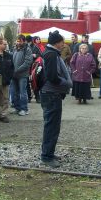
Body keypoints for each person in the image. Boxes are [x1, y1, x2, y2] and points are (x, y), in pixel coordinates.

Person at [40, 30, 73, 168]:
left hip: (50, 94)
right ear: (57, 43)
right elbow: (52, 76)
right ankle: (47, 156)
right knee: (52, 126)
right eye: (62, 42)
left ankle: (49, 153)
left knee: (52, 125)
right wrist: (67, 83)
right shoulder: (51, 55)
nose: (63, 45)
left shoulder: (49, 53)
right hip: (51, 95)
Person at [11, 34, 33, 116]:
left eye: (19, 41)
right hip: (14, 75)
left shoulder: (27, 49)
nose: (18, 42)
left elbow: (28, 62)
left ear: (24, 41)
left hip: (23, 75)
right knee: (15, 92)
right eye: (17, 40)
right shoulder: (15, 49)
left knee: (22, 92)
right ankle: (17, 108)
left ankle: (24, 109)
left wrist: (17, 70)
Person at [0, 38, 14, 123]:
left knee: (5, 99)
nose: (6, 46)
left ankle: (3, 115)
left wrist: (9, 77)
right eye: (4, 44)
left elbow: (12, 68)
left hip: (6, 81)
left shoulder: (9, 56)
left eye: (6, 44)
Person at [31, 36, 45, 103]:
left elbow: (43, 55)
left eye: (39, 39)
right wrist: (37, 56)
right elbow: (32, 55)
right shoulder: (34, 47)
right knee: (35, 80)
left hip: (43, 65)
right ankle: (37, 97)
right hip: (36, 65)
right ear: (34, 40)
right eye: (37, 39)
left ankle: (41, 97)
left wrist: (38, 55)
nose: (38, 40)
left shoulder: (42, 46)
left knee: (42, 80)